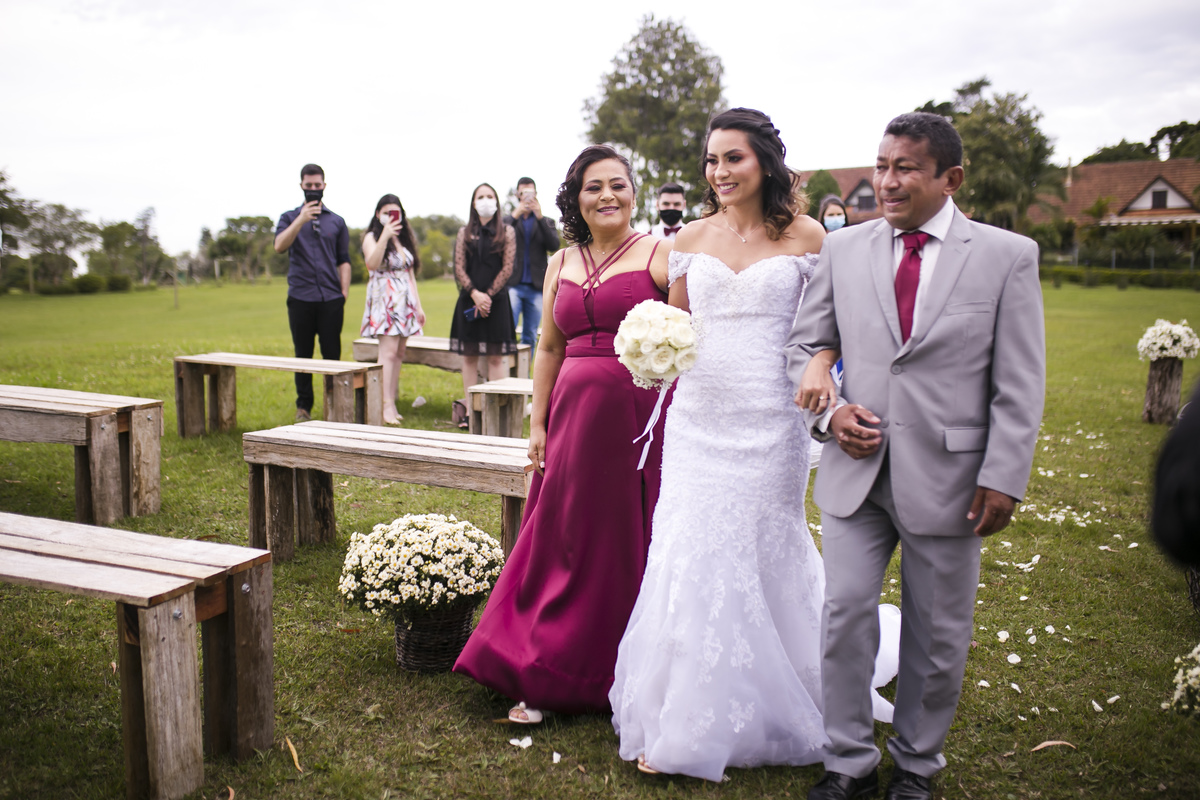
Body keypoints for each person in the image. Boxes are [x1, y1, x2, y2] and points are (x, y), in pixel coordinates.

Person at [610, 108, 900, 782]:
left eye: (733, 159)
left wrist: (821, 362)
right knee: (690, 551)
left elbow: (830, 326)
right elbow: (676, 320)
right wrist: (651, 352)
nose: (719, 173)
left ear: (765, 162)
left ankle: (792, 688)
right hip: (698, 421)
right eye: (712, 161)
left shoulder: (808, 237)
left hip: (772, 421)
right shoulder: (687, 236)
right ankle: (684, 714)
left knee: (759, 549)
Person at [785, 112, 1045, 800]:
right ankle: (847, 763)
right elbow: (805, 347)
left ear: (950, 178)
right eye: (881, 165)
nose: (887, 181)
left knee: (937, 632)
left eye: (905, 168)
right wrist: (833, 412)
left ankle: (917, 768)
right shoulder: (843, 251)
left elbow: (1019, 383)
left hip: (954, 479)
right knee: (843, 614)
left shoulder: (1006, 256)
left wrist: (1003, 476)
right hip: (854, 476)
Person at [454, 145, 673, 723]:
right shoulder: (560, 263)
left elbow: (689, 340)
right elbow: (549, 347)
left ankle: (628, 670)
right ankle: (546, 665)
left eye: (618, 185)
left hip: (638, 424)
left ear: (635, 191)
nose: (607, 196)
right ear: (576, 198)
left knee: (625, 543)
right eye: (593, 187)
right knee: (566, 540)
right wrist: (538, 422)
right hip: (573, 420)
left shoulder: (661, 255)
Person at [274, 164, 352, 421]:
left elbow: (343, 259)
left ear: (324, 186)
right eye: (309, 186)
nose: (313, 190)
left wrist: (344, 291)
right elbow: (279, 246)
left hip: (331, 298)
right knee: (303, 354)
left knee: (332, 354)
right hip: (300, 297)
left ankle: (334, 407)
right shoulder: (288, 217)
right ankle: (303, 407)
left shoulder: (337, 221)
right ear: (301, 187)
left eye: (317, 185)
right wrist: (301, 219)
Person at [448, 183, 518, 415]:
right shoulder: (464, 232)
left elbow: (507, 268)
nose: (485, 200)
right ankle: (469, 408)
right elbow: (459, 267)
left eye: (490, 196)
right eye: (481, 196)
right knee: (469, 358)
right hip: (469, 300)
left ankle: (495, 410)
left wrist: (487, 296)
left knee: (495, 358)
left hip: (496, 303)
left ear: (496, 202)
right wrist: (476, 295)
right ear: (473, 202)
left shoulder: (507, 231)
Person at [360, 194, 426, 425]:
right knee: (386, 353)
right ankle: (383, 405)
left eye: (395, 212)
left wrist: (417, 305)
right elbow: (372, 263)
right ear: (378, 214)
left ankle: (391, 401)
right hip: (385, 301)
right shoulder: (372, 237)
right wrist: (385, 236)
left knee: (398, 354)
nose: (390, 216)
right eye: (386, 212)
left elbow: (410, 273)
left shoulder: (403, 239)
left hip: (404, 303)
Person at [504, 177, 560, 347]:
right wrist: (515, 214)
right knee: (507, 330)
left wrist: (540, 217)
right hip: (513, 283)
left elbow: (554, 245)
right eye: (523, 193)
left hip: (536, 286)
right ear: (517, 195)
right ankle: (505, 369)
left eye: (530, 192)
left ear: (536, 194)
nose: (527, 197)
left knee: (530, 334)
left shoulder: (546, 221)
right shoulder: (509, 220)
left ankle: (524, 372)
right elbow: (497, 239)